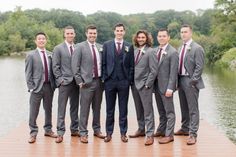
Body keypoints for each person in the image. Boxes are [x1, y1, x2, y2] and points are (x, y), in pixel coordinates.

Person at [72, 25, 105, 144]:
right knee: (84, 108)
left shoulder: (100, 47)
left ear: (97, 34)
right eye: (90, 33)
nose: (92, 35)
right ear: (86, 34)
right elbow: (75, 66)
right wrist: (79, 81)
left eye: (94, 33)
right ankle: (83, 133)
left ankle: (97, 130)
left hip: (99, 82)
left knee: (97, 108)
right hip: (86, 83)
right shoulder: (80, 47)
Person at [102, 23, 134, 143]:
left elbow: (131, 65)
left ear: (124, 32)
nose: (119, 32)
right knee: (109, 109)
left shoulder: (129, 46)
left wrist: (128, 80)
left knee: (123, 109)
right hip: (110, 81)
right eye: (117, 30)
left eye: (121, 31)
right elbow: (103, 62)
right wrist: (105, 78)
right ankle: (109, 133)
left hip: (123, 82)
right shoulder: (107, 45)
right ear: (114, 32)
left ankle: (123, 133)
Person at [174, 24, 205, 145]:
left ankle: (193, 134)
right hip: (181, 80)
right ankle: (185, 128)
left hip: (190, 81)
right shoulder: (180, 47)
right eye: (181, 32)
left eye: (185, 32)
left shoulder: (197, 48)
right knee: (183, 106)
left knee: (193, 108)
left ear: (191, 33)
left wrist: (193, 81)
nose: (183, 34)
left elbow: (199, 66)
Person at [25, 32, 57, 143]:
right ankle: (33, 132)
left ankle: (48, 130)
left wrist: (55, 84)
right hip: (36, 88)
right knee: (34, 111)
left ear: (46, 40)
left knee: (48, 109)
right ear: (35, 41)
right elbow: (28, 73)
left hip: (49, 86)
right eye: (39, 39)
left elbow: (54, 70)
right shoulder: (31, 55)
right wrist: (31, 87)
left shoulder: (50, 54)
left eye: (43, 39)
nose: (41, 40)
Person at [129, 30, 157, 146]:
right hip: (134, 85)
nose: (140, 39)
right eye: (139, 37)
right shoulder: (135, 51)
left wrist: (147, 84)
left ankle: (150, 134)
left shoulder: (150, 52)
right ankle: (141, 129)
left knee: (148, 110)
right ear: (136, 39)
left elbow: (154, 70)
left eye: (143, 37)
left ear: (147, 39)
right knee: (138, 109)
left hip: (145, 85)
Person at [52, 26, 80, 143]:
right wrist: (60, 80)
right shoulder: (58, 48)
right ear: (64, 35)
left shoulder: (78, 48)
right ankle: (60, 132)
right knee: (61, 108)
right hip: (64, 82)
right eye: (68, 33)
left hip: (76, 82)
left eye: (72, 33)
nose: (70, 35)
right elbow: (55, 66)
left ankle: (74, 129)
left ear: (74, 34)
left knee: (74, 107)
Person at [153, 28, 179, 144]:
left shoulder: (173, 52)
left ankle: (169, 135)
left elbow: (174, 72)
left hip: (166, 87)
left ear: (168, 37)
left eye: (164, 36)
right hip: (157, 86)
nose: (161, 38)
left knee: (169, 112)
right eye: (159, 36)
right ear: (157, 37)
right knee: (161, 110)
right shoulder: (155, 50)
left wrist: (170, 88)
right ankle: (161, 130)